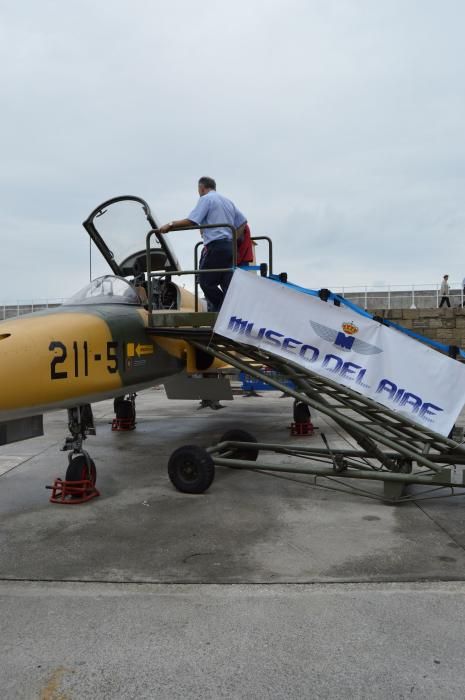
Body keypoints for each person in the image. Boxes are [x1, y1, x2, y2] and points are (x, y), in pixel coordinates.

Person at [159, 177, 247, 311]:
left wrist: (170, 225)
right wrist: (233, 241)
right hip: (229, 248)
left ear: (201, 188)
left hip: (215, 247)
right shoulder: (228, 201)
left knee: (205, 281)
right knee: (225, 282)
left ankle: (222, 308)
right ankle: (231, 310)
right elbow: (243, 222)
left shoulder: (206, 199)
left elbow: (192, 221)